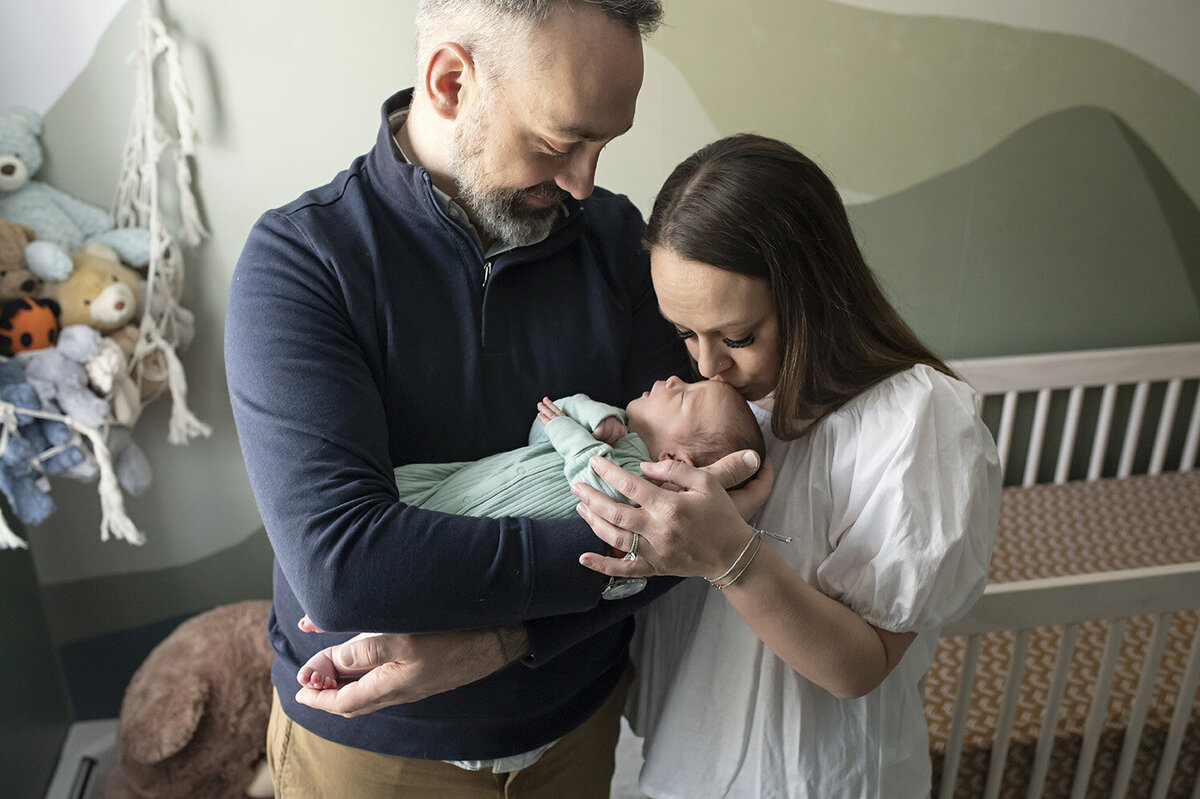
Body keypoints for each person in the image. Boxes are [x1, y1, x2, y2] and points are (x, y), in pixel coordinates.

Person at [225, 1, 766, 796]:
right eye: (563, 142)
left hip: (576, 727)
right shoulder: (302, 263)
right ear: (450, 82)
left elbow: (712, 510)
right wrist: (640, 552)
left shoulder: (617, 244)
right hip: (376, 749)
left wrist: (506, 640)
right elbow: (343, 569)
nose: (586, 180)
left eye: (604, 145)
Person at [571, 134, 1003, 798]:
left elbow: (858, 667)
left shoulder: (916, 422)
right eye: (687, 333)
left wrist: (730, 556)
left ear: (814, 293)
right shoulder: (703, 410)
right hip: (679, 768)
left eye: (738, 336)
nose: (707, 365)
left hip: (818, 779)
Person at [298, 381, 765, 691]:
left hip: (481, 518)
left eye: (684, 397)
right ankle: (347, 594)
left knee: (427, 582)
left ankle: (341, 653)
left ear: (675, 461)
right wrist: (585, 413)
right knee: (394, 496)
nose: (672, 380)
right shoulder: (615, 429)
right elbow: (540, 431)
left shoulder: (639, 478)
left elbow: (596, 481)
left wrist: (570, 430)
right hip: (466, 483)